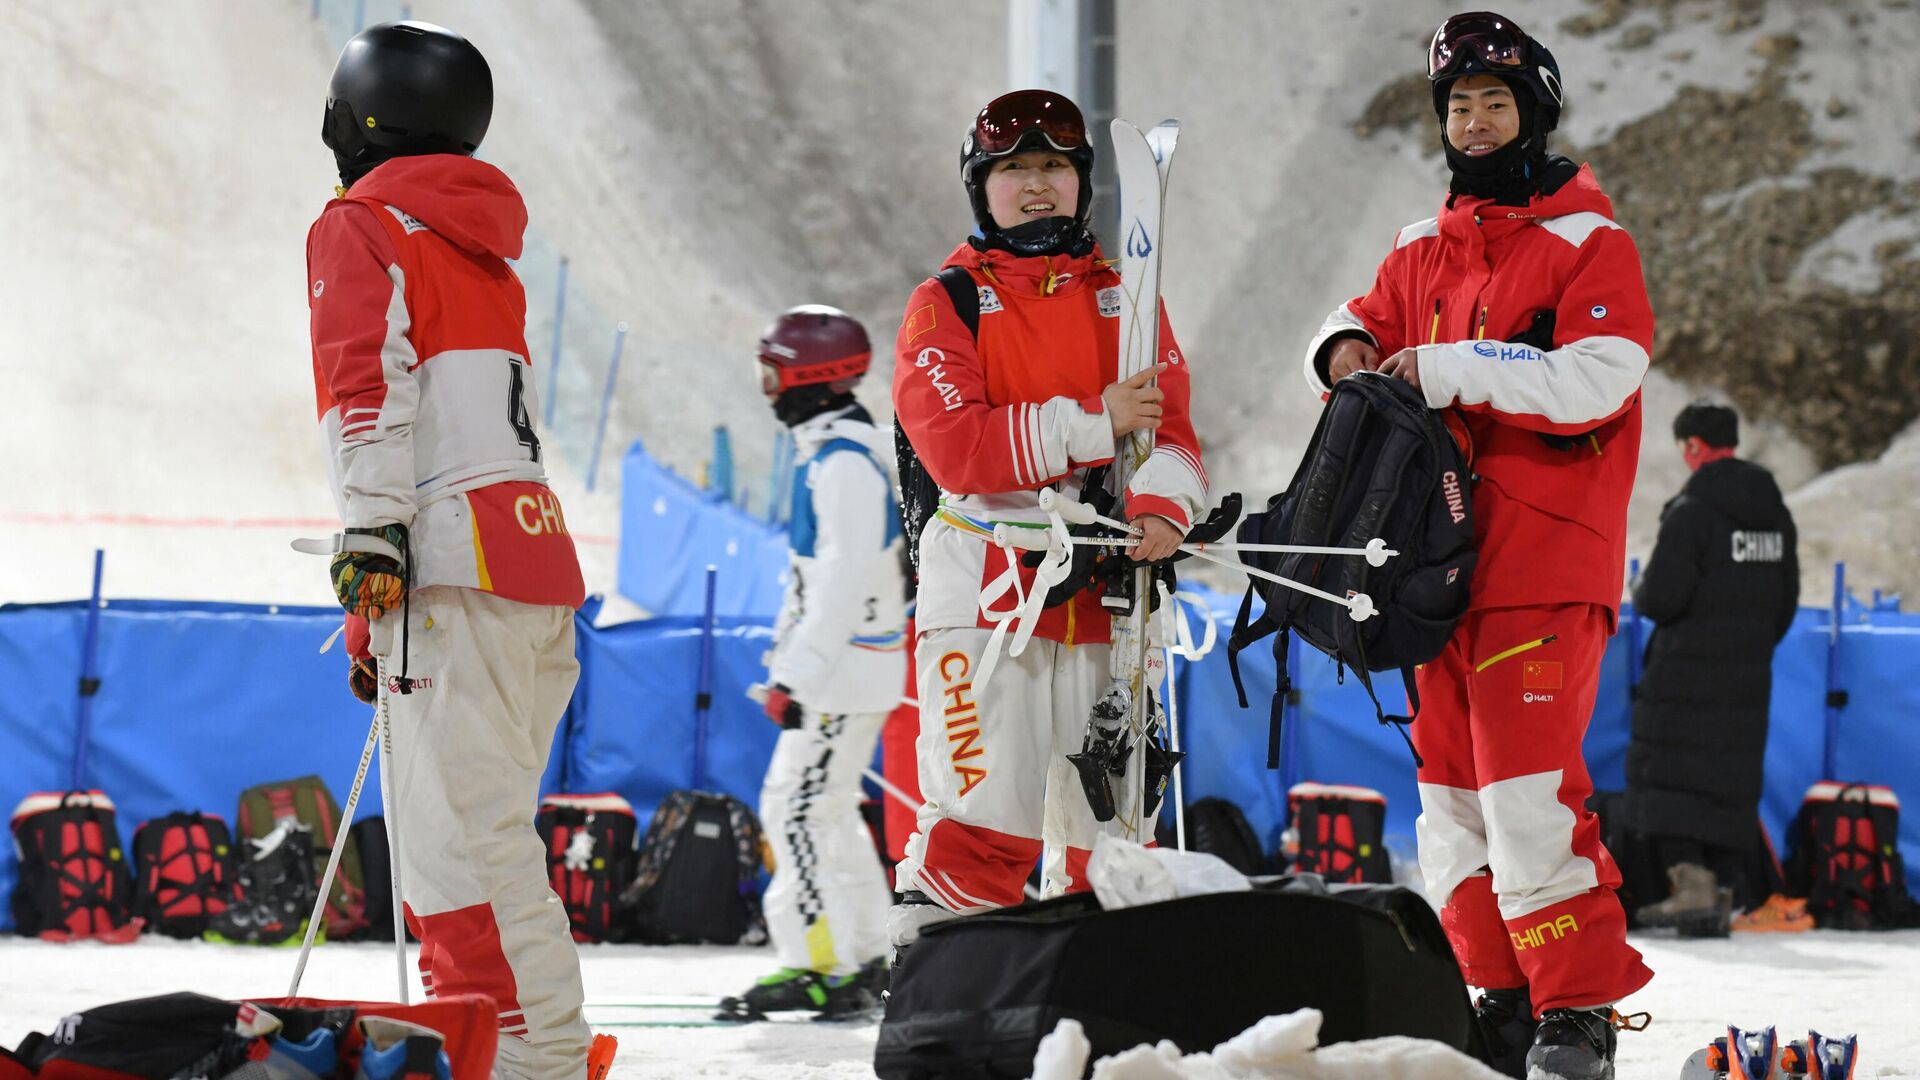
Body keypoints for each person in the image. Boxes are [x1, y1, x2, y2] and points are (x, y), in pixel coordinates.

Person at [1301, 13, 1654, 1078]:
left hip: (1541, 561)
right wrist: (1344, 346)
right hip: (1428, 572)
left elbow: (1603, 373)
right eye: (1459, 105)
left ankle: (1577, 1009)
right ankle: (1501, 995)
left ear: (1535, 111)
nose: (1476, 120)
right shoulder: (1421, 246)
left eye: (1496, 101)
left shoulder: (1594, 244)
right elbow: (1353, 320)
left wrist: (1454, 366)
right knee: (1450, 802)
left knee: (1526, 791)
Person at [307, 22, 593, 1080]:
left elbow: (367, 390)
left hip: (451, 569)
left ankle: (527, 1058)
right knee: (483, 840)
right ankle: (510, 1045)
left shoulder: (363, 225)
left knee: (461, 855)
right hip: (525, 567)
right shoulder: (479, 245)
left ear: (369, 118)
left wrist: (373, 541)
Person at [889, 89, 1208, 949]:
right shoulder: (944, 302)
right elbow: (959, 449)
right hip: (991, 593)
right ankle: (947, 1011)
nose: (1038, 186)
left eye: (1056, 167)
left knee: (1107, 840)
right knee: (984, 822)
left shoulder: (1125, 298)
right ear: (981, 187)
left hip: (1107, 591)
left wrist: (1163, 510)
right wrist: (1096, 421)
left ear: (1081, 184)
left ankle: (1096, 1014)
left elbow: (1173, 430)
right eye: (1016, 169)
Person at [718, 307, 907, 1020]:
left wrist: (796, 674)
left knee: (794, 811)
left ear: (811, 379)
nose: (768, 390)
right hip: (842, 667)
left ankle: (816, 962)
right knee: (824, 813)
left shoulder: (843, 466)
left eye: (776, 374)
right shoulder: (832, 455)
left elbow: (843, 577)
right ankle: (863, 953)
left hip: (839, 673)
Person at [1624, 403, 1799, 934]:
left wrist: (1639, 590)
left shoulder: (1693, 511)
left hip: (1684, 676)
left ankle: (1691, 888)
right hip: (1747, 673)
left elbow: (1660, 598)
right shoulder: (1775, 512)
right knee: (1728, 777)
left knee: (1669, 775)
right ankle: (1720, 889)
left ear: (1693, 447)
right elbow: (1786, 598)